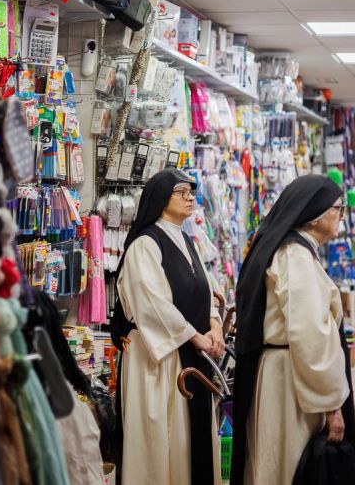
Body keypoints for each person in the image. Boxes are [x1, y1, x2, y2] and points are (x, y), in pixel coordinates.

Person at [230, 175, 355, 485]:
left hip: (288, 374)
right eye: (338, 208)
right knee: (288, 466)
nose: (341, 215)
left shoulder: (292, 251)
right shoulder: (295, 256)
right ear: (315, 215)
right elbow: (311, 335)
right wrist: (332, 405)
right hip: (294, 383)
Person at [110, 168, 224, 485]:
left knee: (188, 443)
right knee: (162, 442)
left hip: (188, 355)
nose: (190, 198)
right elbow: (151, 303)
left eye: (191, 192)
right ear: (161, 198)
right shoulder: (145, 245)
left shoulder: (186, 240)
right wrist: (195, 337)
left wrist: (214, 323)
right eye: (181, 192)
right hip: (158, 360)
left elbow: (206, 288)